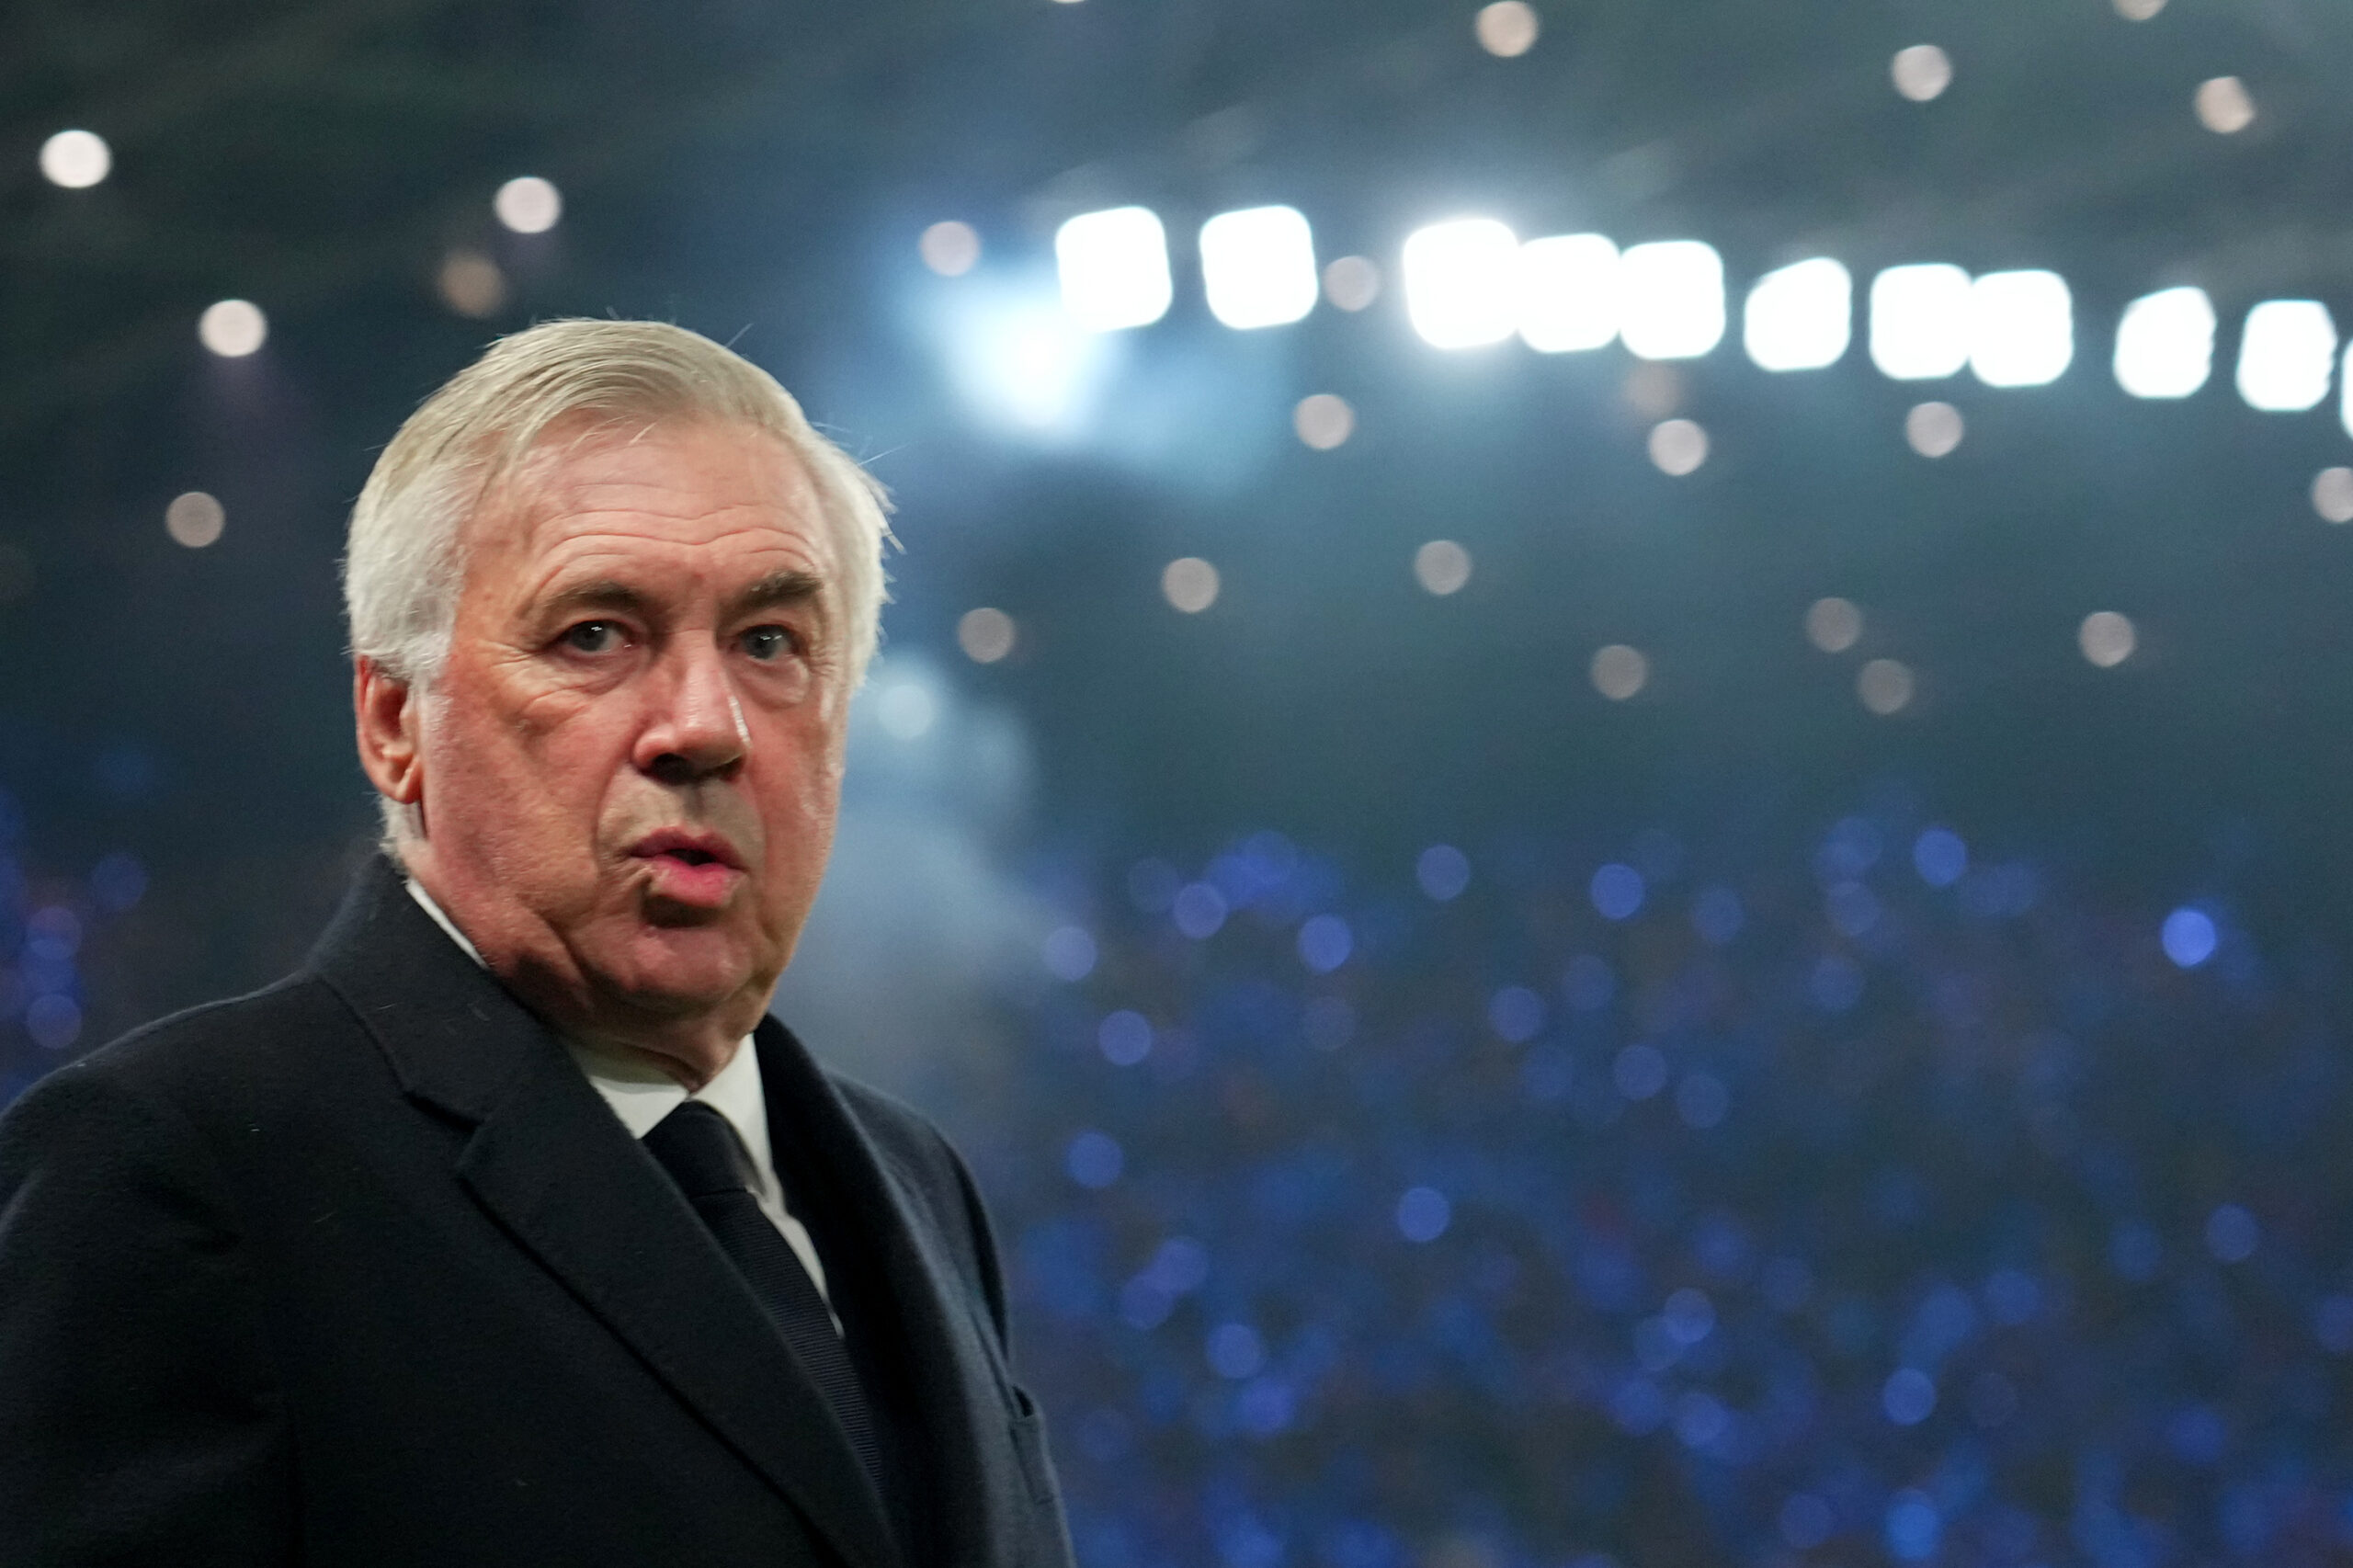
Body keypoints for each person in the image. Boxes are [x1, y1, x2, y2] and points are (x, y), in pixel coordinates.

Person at [0, 320, 1074, 1567]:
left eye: (770, 642)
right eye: (595, 635)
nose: (706, 726)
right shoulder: (173, 1170)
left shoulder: (916, 1179)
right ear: (395, 721)